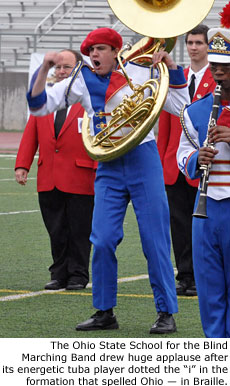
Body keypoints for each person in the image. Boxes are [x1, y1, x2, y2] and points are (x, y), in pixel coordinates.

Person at [26, 27, 190, 334]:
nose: (94, 54)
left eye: (101, 49)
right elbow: (37, 106)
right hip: (108, 166)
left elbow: (181, 107)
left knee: (155, 241)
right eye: (91, 50)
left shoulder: (142, 71)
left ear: (116, 52)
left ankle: (166, 311)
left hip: (143, 160)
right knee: (101, 240)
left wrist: (172, 68)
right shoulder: (80, 79)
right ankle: (104, 311)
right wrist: (45, 68)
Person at [15, 49, 97, 291]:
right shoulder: (46, 98)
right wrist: (22, 164)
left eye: (67, 68)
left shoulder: (88, 99)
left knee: (80, 230)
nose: (61, 72)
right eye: (58, 67)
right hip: (48, 176)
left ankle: (78, 275)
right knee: (56, 229)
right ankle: (58, 273)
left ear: (79, 70)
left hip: (81, 176)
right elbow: (31, 134)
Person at [177, 4, 230, 338]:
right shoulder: (195, 110)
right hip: (206, 209)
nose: (219, 72)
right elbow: (182, 155)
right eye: (216, 65)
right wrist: (198, 158)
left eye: (226, 65)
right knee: (210, 292)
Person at [157, 25, 216, 297]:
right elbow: (166, 125)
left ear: (208, 46)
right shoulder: (173, 77)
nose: (193, 47)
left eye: (199, 43)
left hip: (207, 163)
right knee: (178, 223)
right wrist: (161, 162)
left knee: (204, 224)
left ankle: (205, 276)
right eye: (190, 42)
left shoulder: (219, 79)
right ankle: (185, 276)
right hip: (174, 163)